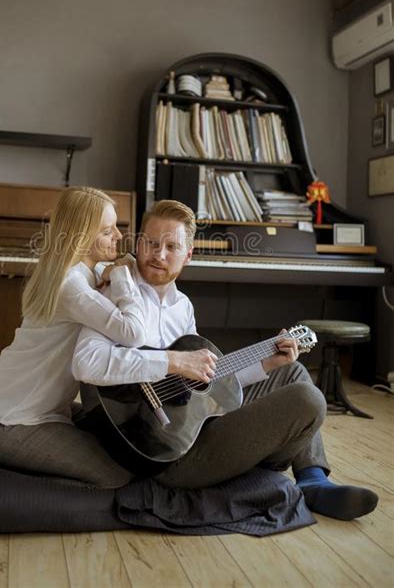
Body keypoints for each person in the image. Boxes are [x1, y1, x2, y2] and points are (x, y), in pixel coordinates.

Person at [72, 199, 378, 520]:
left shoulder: (183, 307)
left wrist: (267, 363)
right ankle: (274, 459)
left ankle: (313, 479)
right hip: (165, 454)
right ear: (138, 243)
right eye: (150, 243)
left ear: (188, 255)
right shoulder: (117, 290)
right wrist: (172, 362)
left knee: (293, 372)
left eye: (171, 246)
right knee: (308, 399)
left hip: (192, 428)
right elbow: (88, 362)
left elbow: (203, 385)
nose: (158, 255)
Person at [0, 186, 148, 488]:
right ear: (81, 236)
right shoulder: (71, 284)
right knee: (115, 476)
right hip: (4, 419)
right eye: (106, 231)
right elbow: (134, 333)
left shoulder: (82, 271)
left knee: (124, 439)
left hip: (30, 406)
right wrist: (123, 274)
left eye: (116, 227)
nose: (117, 236)